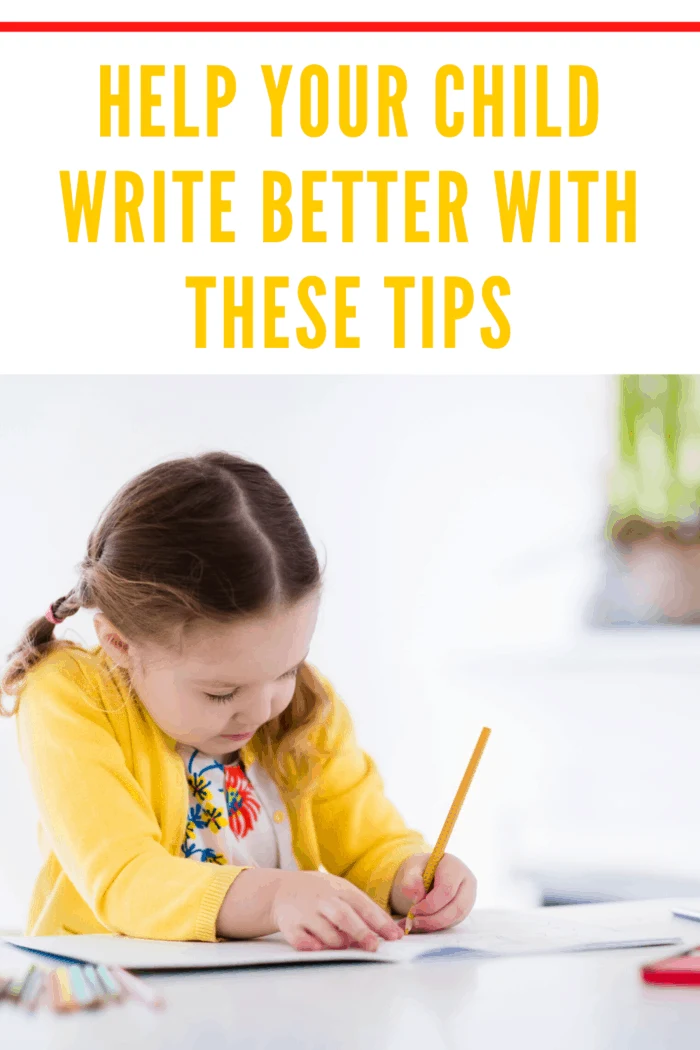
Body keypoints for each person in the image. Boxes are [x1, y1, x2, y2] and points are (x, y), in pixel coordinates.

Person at [1, 452, 476, 950]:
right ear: (120, 644)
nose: (262, 709)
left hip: (264, 1002)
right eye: (221, 693)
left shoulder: (303, 706)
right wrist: (275, 897)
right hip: (116, 1000)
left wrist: (410, 876)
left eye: (287, 670)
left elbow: (367, 844)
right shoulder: (71, 696)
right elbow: (125, 878)